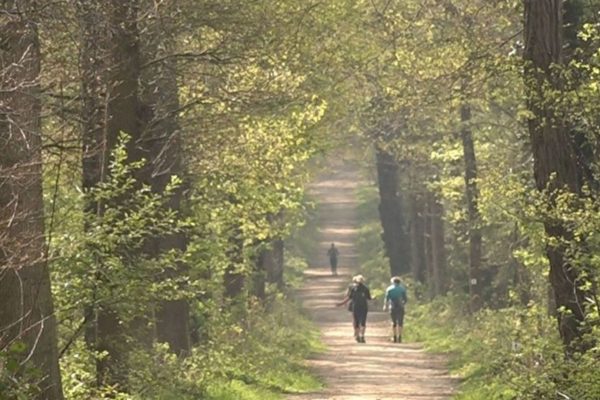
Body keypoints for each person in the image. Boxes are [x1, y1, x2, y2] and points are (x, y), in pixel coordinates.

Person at [336, 274, 372, 343]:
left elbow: (349, 297)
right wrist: (374, 298)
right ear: (363, 281)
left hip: (355, 306)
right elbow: (369, 298)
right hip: (364, 307)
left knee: (356, 321)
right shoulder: (366, 288)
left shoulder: (353, 288)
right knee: (363, 322)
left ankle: (357, 335)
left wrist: (341, 303)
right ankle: (362, 336)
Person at [383, 276, 407, 343]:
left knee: (393, 322)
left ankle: (394, 336)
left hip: (392, 306)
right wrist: (403, 304)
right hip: (400, 306)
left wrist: (385, 306)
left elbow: (386, 299)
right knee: (400, 322)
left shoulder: (389, 289)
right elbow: (405, 299)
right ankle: (400, 337)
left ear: (393, 282)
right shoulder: (402, 289)